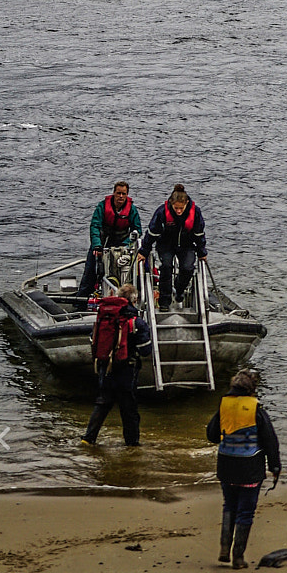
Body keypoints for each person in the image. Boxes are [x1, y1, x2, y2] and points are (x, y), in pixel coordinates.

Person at [206, 369, 281, 569]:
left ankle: (224, 548)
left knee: (229, 506)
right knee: (245, 512)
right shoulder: (256, 408)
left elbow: (212, 435)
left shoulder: (223, 406)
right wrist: (275, 466)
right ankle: (238, 557)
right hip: (249, 469)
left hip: (226, 465)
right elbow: (270, 440)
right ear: (252, 389)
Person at [80, 282, 151, 446]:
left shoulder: (105, 316)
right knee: (129, 410)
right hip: (126, 369)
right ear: (134, 301)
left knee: (102, 403)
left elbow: (94, 339)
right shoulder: (136, 321)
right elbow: (145, 349)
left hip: (106, 367)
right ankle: (132, 446)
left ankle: (88, 439)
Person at [136, 183, 207, 310]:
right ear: (171, 204)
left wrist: (202, 252)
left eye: (181, 208)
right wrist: (144, 251)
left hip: (187, 245)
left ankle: (179, 289)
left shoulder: (195, 212)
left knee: (188, 268)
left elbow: (199, 233)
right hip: (166, 244)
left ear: (186, 203)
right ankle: (164, 301)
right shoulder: (162, 212)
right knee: (166, 267)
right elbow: (152, 233)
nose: (179, 211)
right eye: (176, 208)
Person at [78, 181, 142, 299]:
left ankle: (132, 296)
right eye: (118, 193)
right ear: (113, 193)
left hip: (123, 243)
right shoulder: (102, 207)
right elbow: (95, 226)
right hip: (103, 242)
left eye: (123, 194)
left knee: (133, 269)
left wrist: (127, 245)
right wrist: (97, 245)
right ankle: (81, 300)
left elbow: (137, 230)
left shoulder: (132, 210)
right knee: (91, 270)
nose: (121, 197)